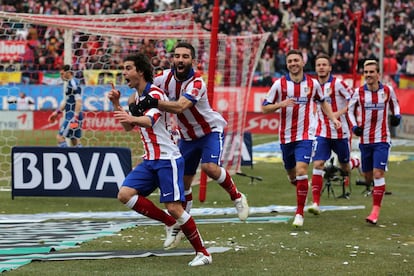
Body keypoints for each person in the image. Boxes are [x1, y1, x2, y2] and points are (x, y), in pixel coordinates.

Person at [137, 42, 249, 246]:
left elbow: (180, 107)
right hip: (187, 137)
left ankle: (237, 196)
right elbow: (145, 87)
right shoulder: (163, 78)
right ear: (173, 59)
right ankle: (180, 223)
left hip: (209, 132)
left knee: (209, 167)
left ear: (192, 61)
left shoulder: (197, 83)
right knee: (184, 184)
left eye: (185, 56)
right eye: (177, 56)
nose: (180, 60)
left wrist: (151, 103)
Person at [107, 53, 212, 266]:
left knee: (174, 206)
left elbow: (149, 120)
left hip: (167, 159)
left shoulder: (155, 93)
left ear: (140, 71)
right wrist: (117, 104)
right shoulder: (135, 98)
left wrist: (131, 117)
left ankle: (203, 253)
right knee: (125, 194)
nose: (124, 73)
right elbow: (129, 127)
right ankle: (169, 222)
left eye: (128, 68)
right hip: (150, 160)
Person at [261, 49, 341, 228]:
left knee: (302, 170)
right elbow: (264, 108)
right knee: (292, 175)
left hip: (306, 135)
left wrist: (333, 118)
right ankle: (300, 186)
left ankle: (299, 213)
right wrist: (281, 104)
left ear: (303, 62)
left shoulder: (312, 84)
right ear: (287, 64)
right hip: (286, 136)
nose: (293, 64)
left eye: (296, 60)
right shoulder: (279, 85)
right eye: (290, 61)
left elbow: (323, 102)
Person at [348, 60, 401, 225]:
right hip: (365, 141)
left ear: (378, 74)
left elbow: (396, 106)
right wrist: (354, 126)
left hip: (382, 139)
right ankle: (368, 179)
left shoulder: (387, 90)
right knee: (368, 176)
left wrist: (397, 117)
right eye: (366, 72)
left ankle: (375, 212)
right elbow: (350, 110)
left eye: (372, 72)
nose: (369, 75)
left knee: (378, 174)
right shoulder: (359, 92)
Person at [308, 53, 355, 215]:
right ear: (315, 68)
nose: (321, 67)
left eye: (324, 64)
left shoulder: (339, 84)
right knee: (318, 164)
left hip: (341, 132)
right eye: (318, 65)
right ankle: (315, 203)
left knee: (345, 167)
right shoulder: (312, 85)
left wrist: (338, 114)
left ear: (329, 68)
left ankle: (355, 163)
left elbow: (354, 99)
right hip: (322, 132)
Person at [48, 64, 83, 147]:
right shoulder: (69, 84)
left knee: (60, 137)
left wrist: (75, 117)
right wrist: (56, 113)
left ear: (68, 73)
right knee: (74, 139)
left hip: (72, 117)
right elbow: (67, 102)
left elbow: (79, 101)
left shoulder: (73, 84)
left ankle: (67, 157)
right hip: (74, 116)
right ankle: (82, 158)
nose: (61, 76)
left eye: (62, 74)